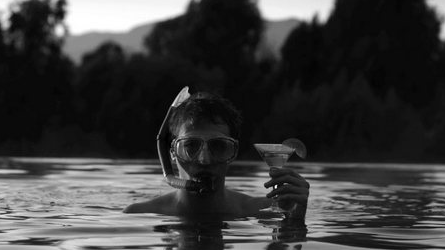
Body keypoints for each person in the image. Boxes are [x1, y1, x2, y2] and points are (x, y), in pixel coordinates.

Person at [123, 91, 310, 219]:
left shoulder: (263, 211)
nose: (204, 160)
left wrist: (294, 220)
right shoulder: (140, 214)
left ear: (233, 152)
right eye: (191, 146)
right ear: (173, 152)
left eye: (219, 146)